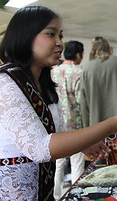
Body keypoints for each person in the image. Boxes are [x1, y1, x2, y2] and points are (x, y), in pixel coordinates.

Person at [0, 6, 117, 200]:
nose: (59, 43)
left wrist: (82, 144)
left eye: (60, 36)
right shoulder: (4, 82)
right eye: (51, 34)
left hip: (37, 191)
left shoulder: (41, 83)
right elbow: (40, 148)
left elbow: (54, 134)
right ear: (25, 36)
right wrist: (113, 124)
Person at [51, 40, 85, 198]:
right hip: (75, 121)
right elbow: (80, 99)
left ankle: (56, 196)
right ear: (78, 54)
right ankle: (74, 195)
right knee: (77, 159)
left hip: (57, 122)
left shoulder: (54, 71)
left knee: (58, 162)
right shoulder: (78, 72)